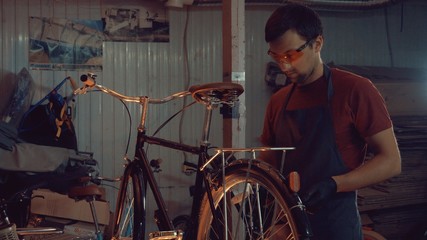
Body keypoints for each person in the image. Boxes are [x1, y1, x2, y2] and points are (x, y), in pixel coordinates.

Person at [259, 3, 401, 240]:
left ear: (317, 44)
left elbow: (391, 161)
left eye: (290, 55)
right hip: (289, 228)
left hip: (336, 227)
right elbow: (270, 164)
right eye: (276, 56)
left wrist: (335, 184)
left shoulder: (355, 90)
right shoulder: (278, 102)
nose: (283, 65)